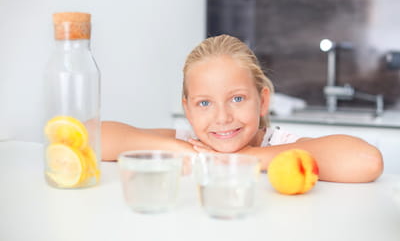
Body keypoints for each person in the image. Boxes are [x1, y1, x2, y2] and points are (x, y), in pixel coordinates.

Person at [102, 34, 383, 183]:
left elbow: (366, 161)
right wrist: (178, 150)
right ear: (187, 110)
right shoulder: (189, 141)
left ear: (262, 101)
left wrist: (247, 158)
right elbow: (95, 136)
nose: (222, 118)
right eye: (204, 103)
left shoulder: (278, 145)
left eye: (237, 99)